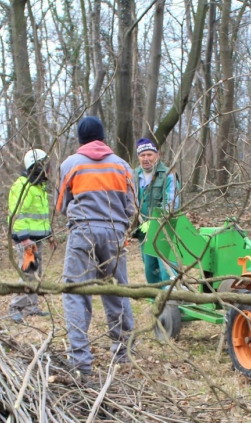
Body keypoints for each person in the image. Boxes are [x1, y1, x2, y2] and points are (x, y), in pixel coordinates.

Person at [57, 116, 137, 377]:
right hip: (115, 233)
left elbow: (61, 205)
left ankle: (80, 360)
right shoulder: (122, 166)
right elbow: (132, 207)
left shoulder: (70, 164)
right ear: (103, 137)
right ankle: (123, 352)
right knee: (117, 290)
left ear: (80, 140)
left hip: (82, 233)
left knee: (76, 292)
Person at [8, 148, 52, 322]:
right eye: (44, 165)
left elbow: (40, 216)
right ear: (37, 167)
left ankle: (31, 307)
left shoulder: (38, 187)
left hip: (36, 239)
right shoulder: (23, 186)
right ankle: (15, 306)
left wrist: (49, 234)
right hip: (26, 240)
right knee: (28, 274)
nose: (48, 168)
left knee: (36, 273)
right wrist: (25, 239)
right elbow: (17, 215)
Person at [133, 138, 179, 285]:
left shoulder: (168, 174)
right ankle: (155, 298)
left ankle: (173, 297)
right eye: (142, 155)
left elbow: (171, 204)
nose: (146, 158)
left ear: (157, 155)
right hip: (143, 233)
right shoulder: (134, 175)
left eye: (149, 154)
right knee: (150, 271)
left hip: (164, 231)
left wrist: (153, 224)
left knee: (167, 271)